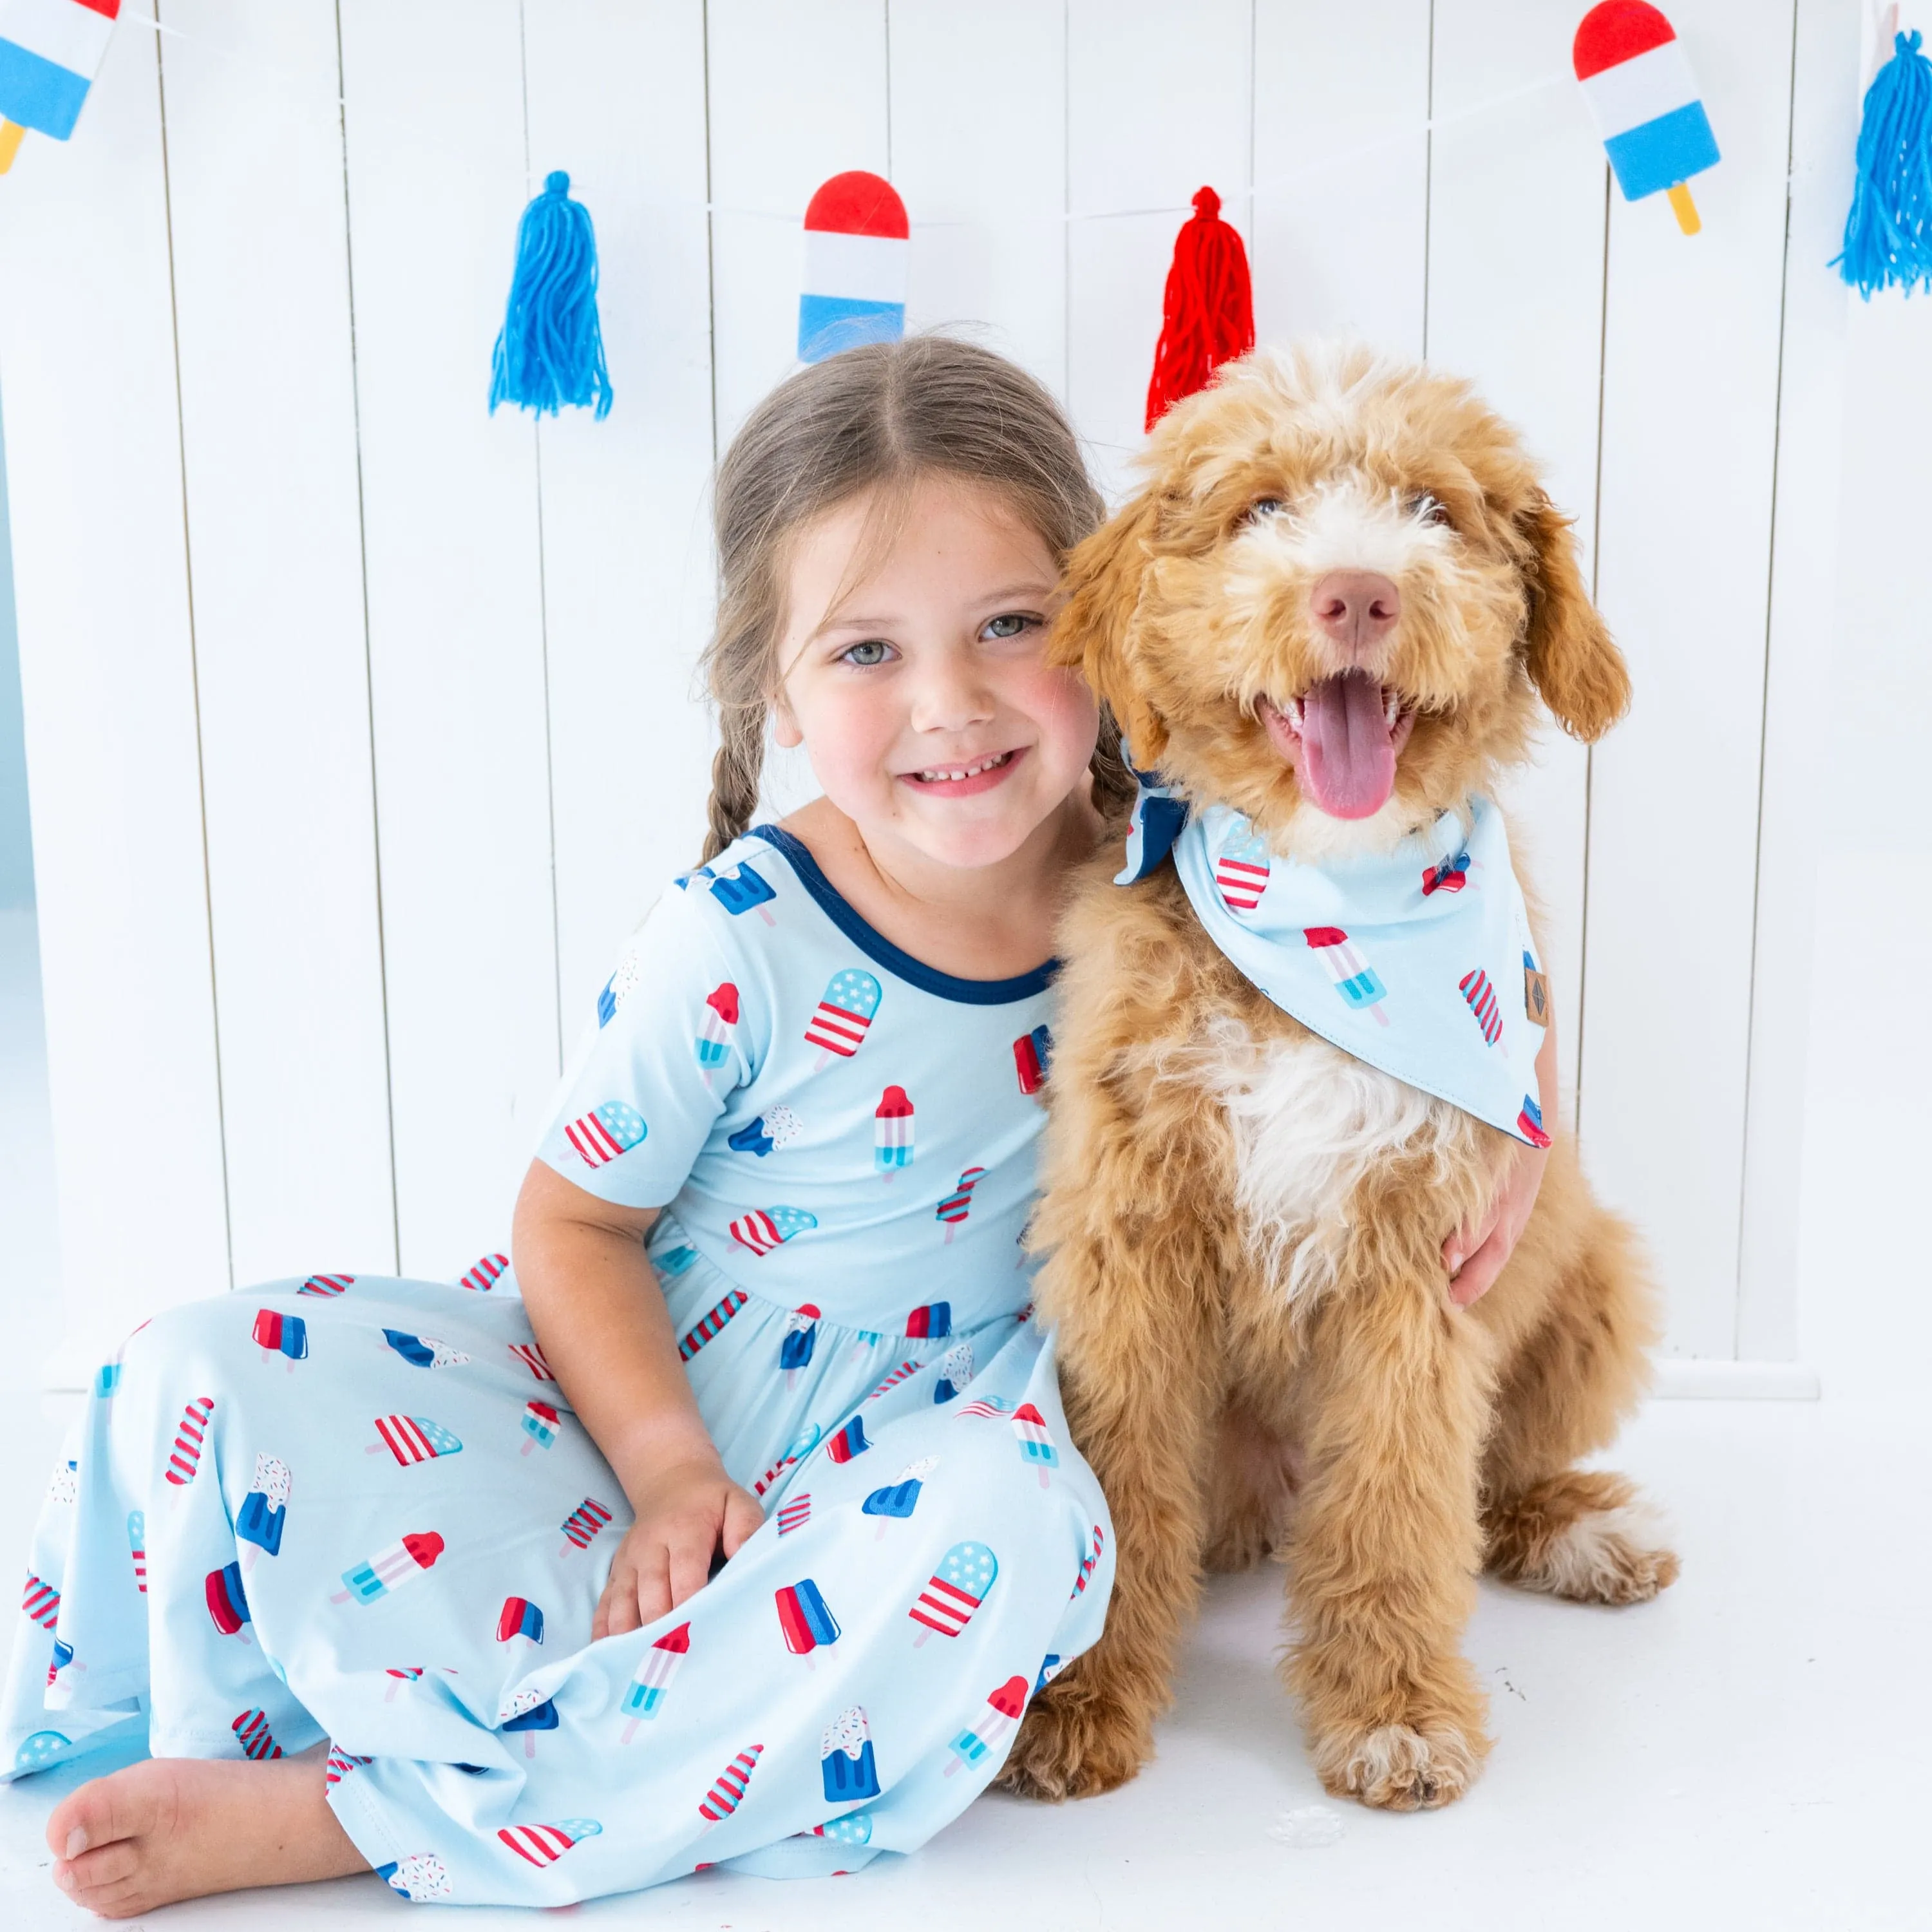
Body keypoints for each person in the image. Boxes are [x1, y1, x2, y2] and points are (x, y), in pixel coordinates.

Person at [6, 336, 1552, 1917]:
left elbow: (1428, 945)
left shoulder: (1194, 863)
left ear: (1107, 626)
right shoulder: (744, 934)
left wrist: (1520, 1110)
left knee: (1002, 1542)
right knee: (198, 1360)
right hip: (654, 1397)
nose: (949, 704)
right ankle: (266, 1693)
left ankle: (367, 1814)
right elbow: (574, 1220)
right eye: (867, 651)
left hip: (933, 1442)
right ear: (777, 691)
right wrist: (671, 1469)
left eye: (1011, 627)